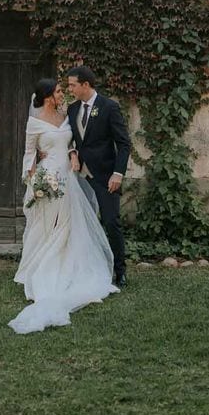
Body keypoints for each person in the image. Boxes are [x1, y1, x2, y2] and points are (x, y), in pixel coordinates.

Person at [8, 77, 119, 334]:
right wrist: (32, 180)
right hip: (48, 178)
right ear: (48, 96)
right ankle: (40, 268)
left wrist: (73, 155)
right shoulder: (34, 123)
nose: (63, 94)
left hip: (67, 178)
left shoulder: (65, 116)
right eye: (59, 91)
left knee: (68, 224)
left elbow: (70, 141)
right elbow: (29, 153)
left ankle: (69, 267)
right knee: (48, 225)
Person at [66, 65, 131, 288]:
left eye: (73, 85)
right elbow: (71, 139)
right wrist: (72, 154)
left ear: (86, 84)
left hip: (105, 177)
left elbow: (123, 144)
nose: (70, 89)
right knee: (83, 224)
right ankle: (89, 268)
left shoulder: (109, 107)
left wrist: (118, 173)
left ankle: (120, 271)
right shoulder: (72, 109)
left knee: (111, 222)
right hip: (80, 176)